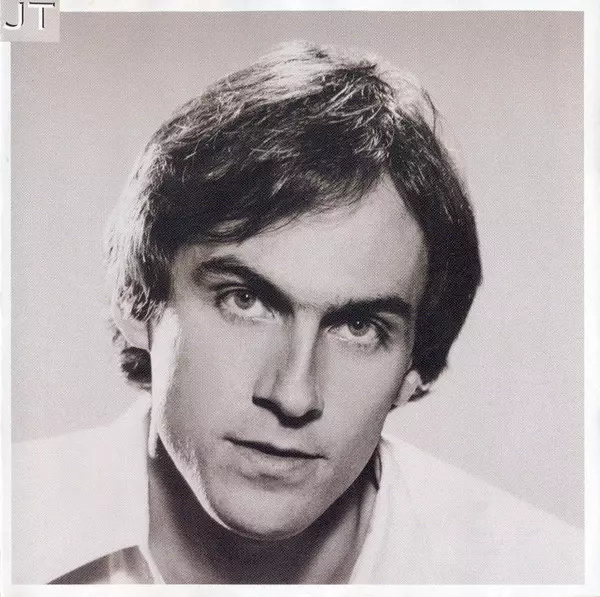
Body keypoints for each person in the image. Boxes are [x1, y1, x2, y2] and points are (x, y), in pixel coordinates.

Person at [13, 42, 582, 584]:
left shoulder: (547, 574)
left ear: (412, 372)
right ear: (139, 300)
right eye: (245, 301)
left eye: (358, 328)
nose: (293, 395)